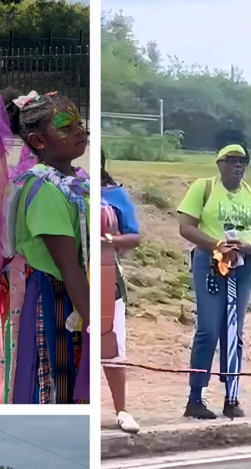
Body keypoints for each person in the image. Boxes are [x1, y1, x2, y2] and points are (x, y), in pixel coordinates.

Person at [0, 89, 90, 404]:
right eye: (66, 127)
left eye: (79, 123)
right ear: (39, 142)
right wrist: (95, 321)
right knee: (51, 373)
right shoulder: (44, 189)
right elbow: (67, 264)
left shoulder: (74, 178)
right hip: (51, 294)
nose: (80, 131)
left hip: (72, 289)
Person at [177, 134, 251, 419]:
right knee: (208, 328)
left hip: (243, 265)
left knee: (234, 331)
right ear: (219, 163)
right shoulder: (204, 188)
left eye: (243, 161)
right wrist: (216, 246)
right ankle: (195, 398)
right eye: (232, 160)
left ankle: (232, 397)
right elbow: (186, 226)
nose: (238, 166)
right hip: (210, 261)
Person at [101, 150, 140, 433]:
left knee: (112, 348)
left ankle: (122, 410)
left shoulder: (116, 194)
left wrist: (110, 239)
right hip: (69, 274)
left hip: (105, 275)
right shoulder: (69, 184)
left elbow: (133, 237)